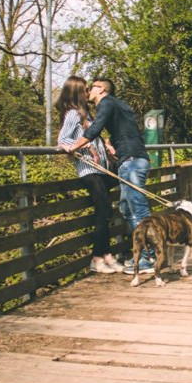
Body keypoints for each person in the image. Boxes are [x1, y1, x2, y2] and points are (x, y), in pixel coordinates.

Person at [61, 77, 155, 275]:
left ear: (101, 89)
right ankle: (116, 256)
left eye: (91, 88)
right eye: (85, 89)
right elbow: (122, 130)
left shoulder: (106, 103)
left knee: (136, 209)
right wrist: (110, 143)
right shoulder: (116, 106)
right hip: (125, 161)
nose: (88, 92)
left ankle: (147, 258)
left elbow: (94, 130)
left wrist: (77, 145)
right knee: (126, 209)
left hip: (130, 161)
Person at [56, 76, 123, 274]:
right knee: (104, 211)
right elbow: (63, 139)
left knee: (104, 211)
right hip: (88, 170)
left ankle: (106, 256)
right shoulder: (73, 114)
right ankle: (97, 258)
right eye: (85, 89)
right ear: (77, 92)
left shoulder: (86, 115)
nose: (88, 92)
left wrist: (105, 147)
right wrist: (81, 149)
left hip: (100, 168)